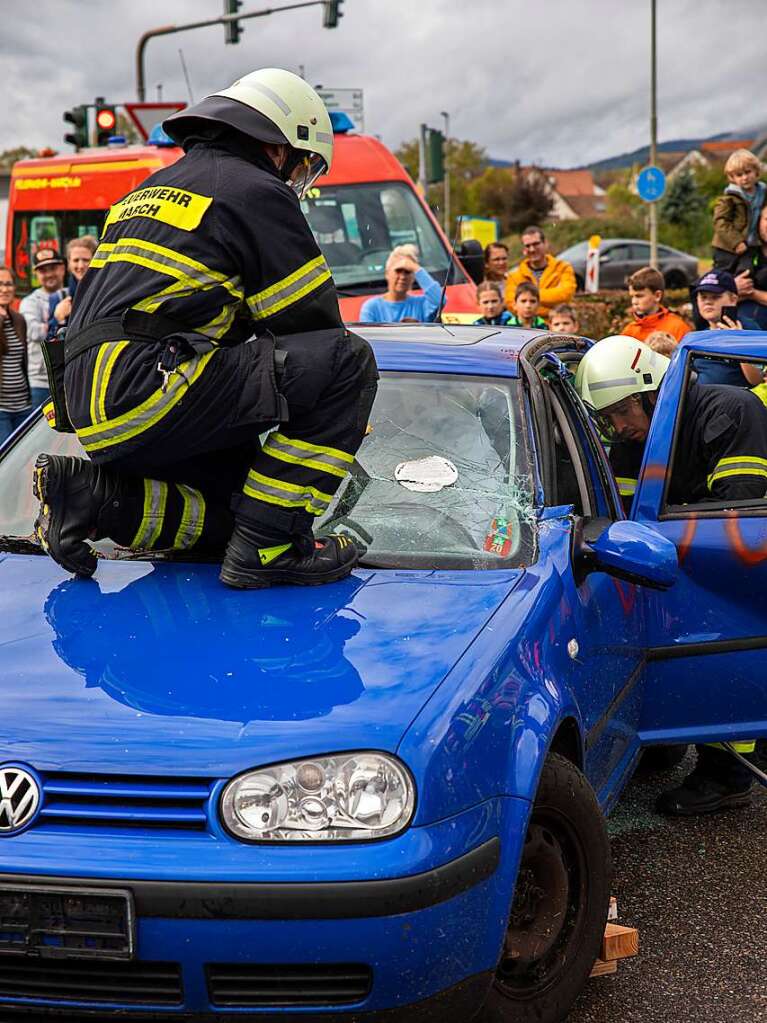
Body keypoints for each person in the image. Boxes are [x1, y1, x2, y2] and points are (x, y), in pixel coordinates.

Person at [32, 67, 378, 591]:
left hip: (91, 401)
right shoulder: (256, 189)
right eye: (302, 164)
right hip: (150, 385)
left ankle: (91, 498)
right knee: (348, 362)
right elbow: (313, 326)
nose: (296, 180)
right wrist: (335, 416)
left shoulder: (149, 190)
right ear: (279, 146)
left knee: (240, 508)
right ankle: (271, 548)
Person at [576, 334, 767, 815]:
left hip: (730, 564)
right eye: (610, 418)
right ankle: (673, 736)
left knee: (721, 656)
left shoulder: (729, 410)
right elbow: (620, 510)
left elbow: (738, 511)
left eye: (623, 412)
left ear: (650, 390)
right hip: (678, 562)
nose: (618, 427)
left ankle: (729, 774)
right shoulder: (638, 436)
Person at [691, 269, 763, 388]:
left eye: (715, 297)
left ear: (733, 299)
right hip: (702, 401)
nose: (708, 302)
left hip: (739, 402)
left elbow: (757, 379)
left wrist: (739, 343)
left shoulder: (750, 329)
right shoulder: (698, 336)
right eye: (703, 297)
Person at [19, 248, 65, 408]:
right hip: (41, 382)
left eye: (53, 268)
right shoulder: (29, 302)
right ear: (36, 274)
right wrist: (57, 319)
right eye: (43, 270)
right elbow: (33, 331)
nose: (49, 274)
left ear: (62, 268)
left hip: (69, 378)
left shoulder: (72, 294)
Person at [712, 149, 766, 274]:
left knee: (746, 274)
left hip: (750, 246)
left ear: (756, 172)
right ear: (732, 178)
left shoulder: (763, 193)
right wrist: (736, 242)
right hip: (727, 247)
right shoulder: (729, 198)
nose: (745, 178)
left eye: (748, 172)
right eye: (739, 175)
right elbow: (720, 222)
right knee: (723, 277)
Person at [505, 226, 576, 321]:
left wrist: (529, 297)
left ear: (545, 243)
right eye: (528, 246)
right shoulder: (514, 276)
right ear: (523, 249)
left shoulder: (563, 267)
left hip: (557, 328)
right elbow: (511, 304)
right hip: (528, 330)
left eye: (536, 244)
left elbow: (566, 295)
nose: (532, 249)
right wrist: (551, 311)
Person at [358, 245, 442, 323]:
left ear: (413, 277)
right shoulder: (372, 308)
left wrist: (415, 267)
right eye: (398, 271)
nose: (403, 277)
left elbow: (440, 301)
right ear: (387, 273)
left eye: (408, 271)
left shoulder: (421, 304)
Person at [0, 267, 32, 443]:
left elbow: (23, 360)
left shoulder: (19, 319)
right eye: (0, 284)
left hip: (22, 405)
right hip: (1, 408)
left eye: (8, 284)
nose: (4, 289)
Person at [46, 235, 98, 340]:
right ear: (68, 263)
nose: (81, 265)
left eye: (86, 260)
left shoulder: (103, 293)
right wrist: (58, 319)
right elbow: (50, 341)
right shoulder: (57, 297)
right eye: (76, 260)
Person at [622, 267, 690, 343]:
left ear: (657, 296)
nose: (634, 302)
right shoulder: (629, 331)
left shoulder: (678, 328)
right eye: (632, 296)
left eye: (639, 296)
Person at [734, 204, 767, 329]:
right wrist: (732, 287)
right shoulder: (743, 252)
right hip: (740, 335)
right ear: (758, 222)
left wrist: (752, 293)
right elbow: (714, 296)